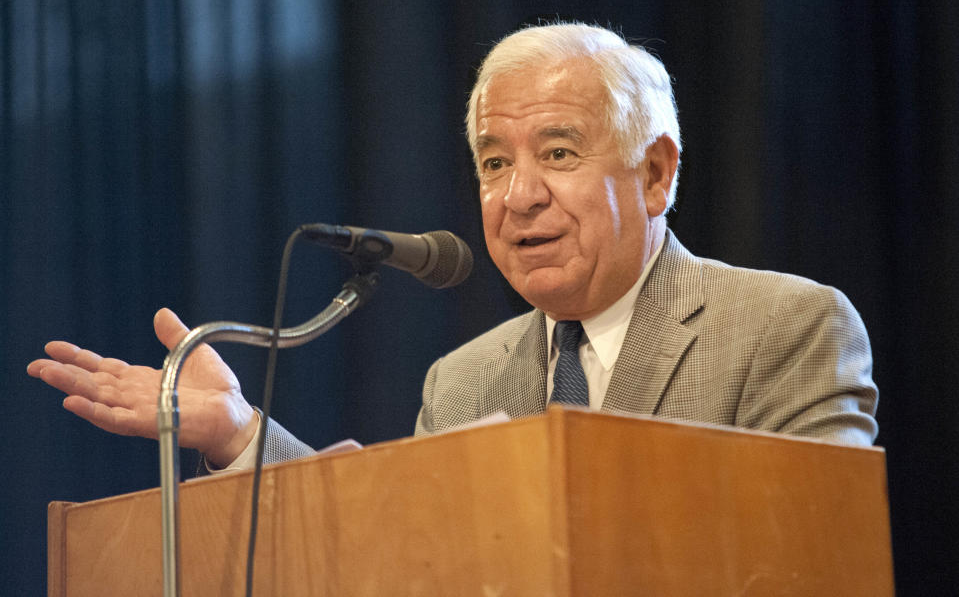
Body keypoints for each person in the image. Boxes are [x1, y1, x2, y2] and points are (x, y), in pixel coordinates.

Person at [26, 23, 878, 473]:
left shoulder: (786, 327)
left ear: (654, 175)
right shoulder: (462, 380)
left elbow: (808, 551)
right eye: (493, 163)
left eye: (557, 153)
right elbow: (397, 552)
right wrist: (239, 432)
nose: (518, 195)